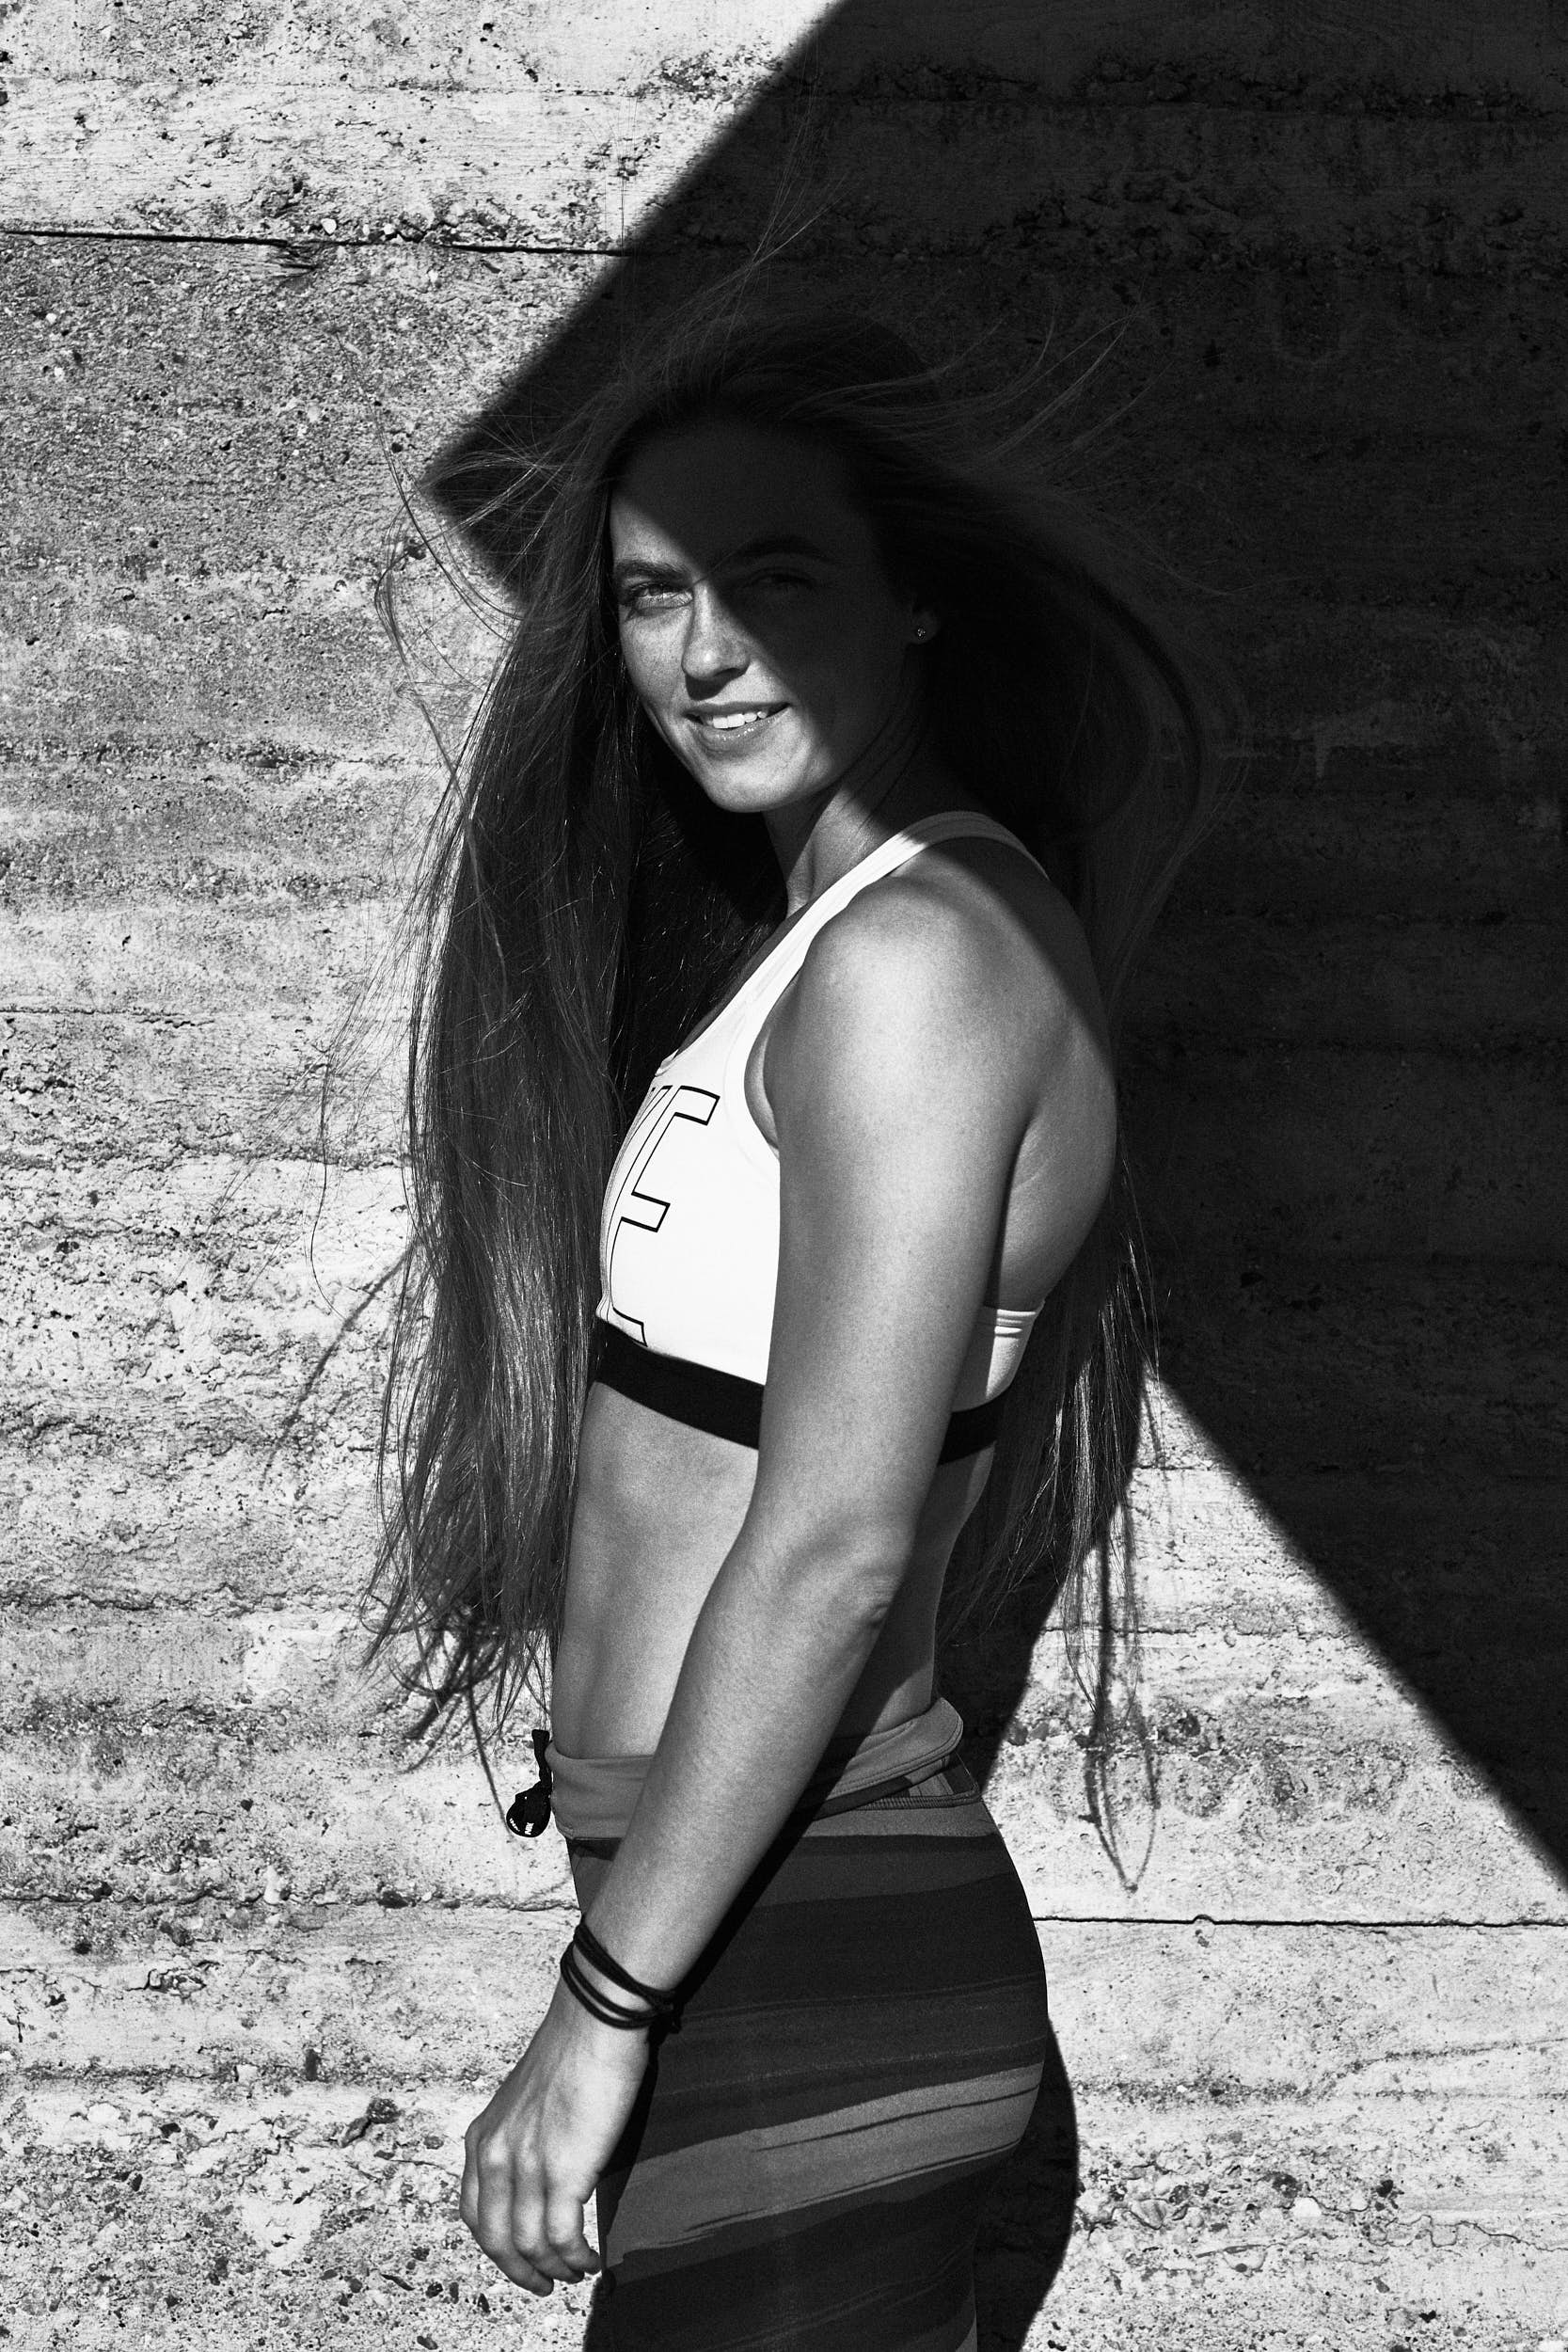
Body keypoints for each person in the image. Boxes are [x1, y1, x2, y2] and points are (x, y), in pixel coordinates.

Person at [366, 298, 1218, 2350]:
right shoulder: (829, 943)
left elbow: (830, 1545)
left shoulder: (928, 954)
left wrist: (604, 2013)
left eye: (776, 578)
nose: (706, 651)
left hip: (790, 1969)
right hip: (752, 1950)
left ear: (916, 599)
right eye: (656, 595)